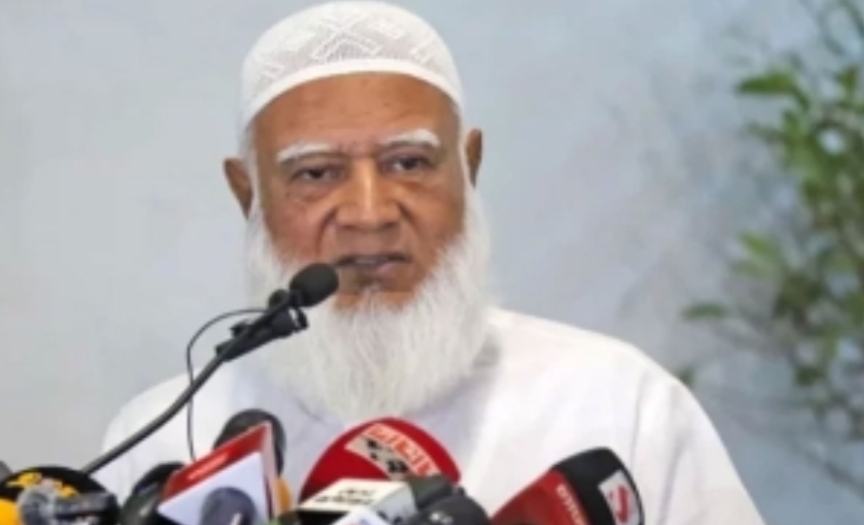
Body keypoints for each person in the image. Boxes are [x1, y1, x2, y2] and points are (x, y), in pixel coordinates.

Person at [95, 2, 765, 523]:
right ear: (248, 195)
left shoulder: (619, 405)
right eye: (316, 173)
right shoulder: (164, 443)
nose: (369, 213)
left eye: (408, 163)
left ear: (468, 169)